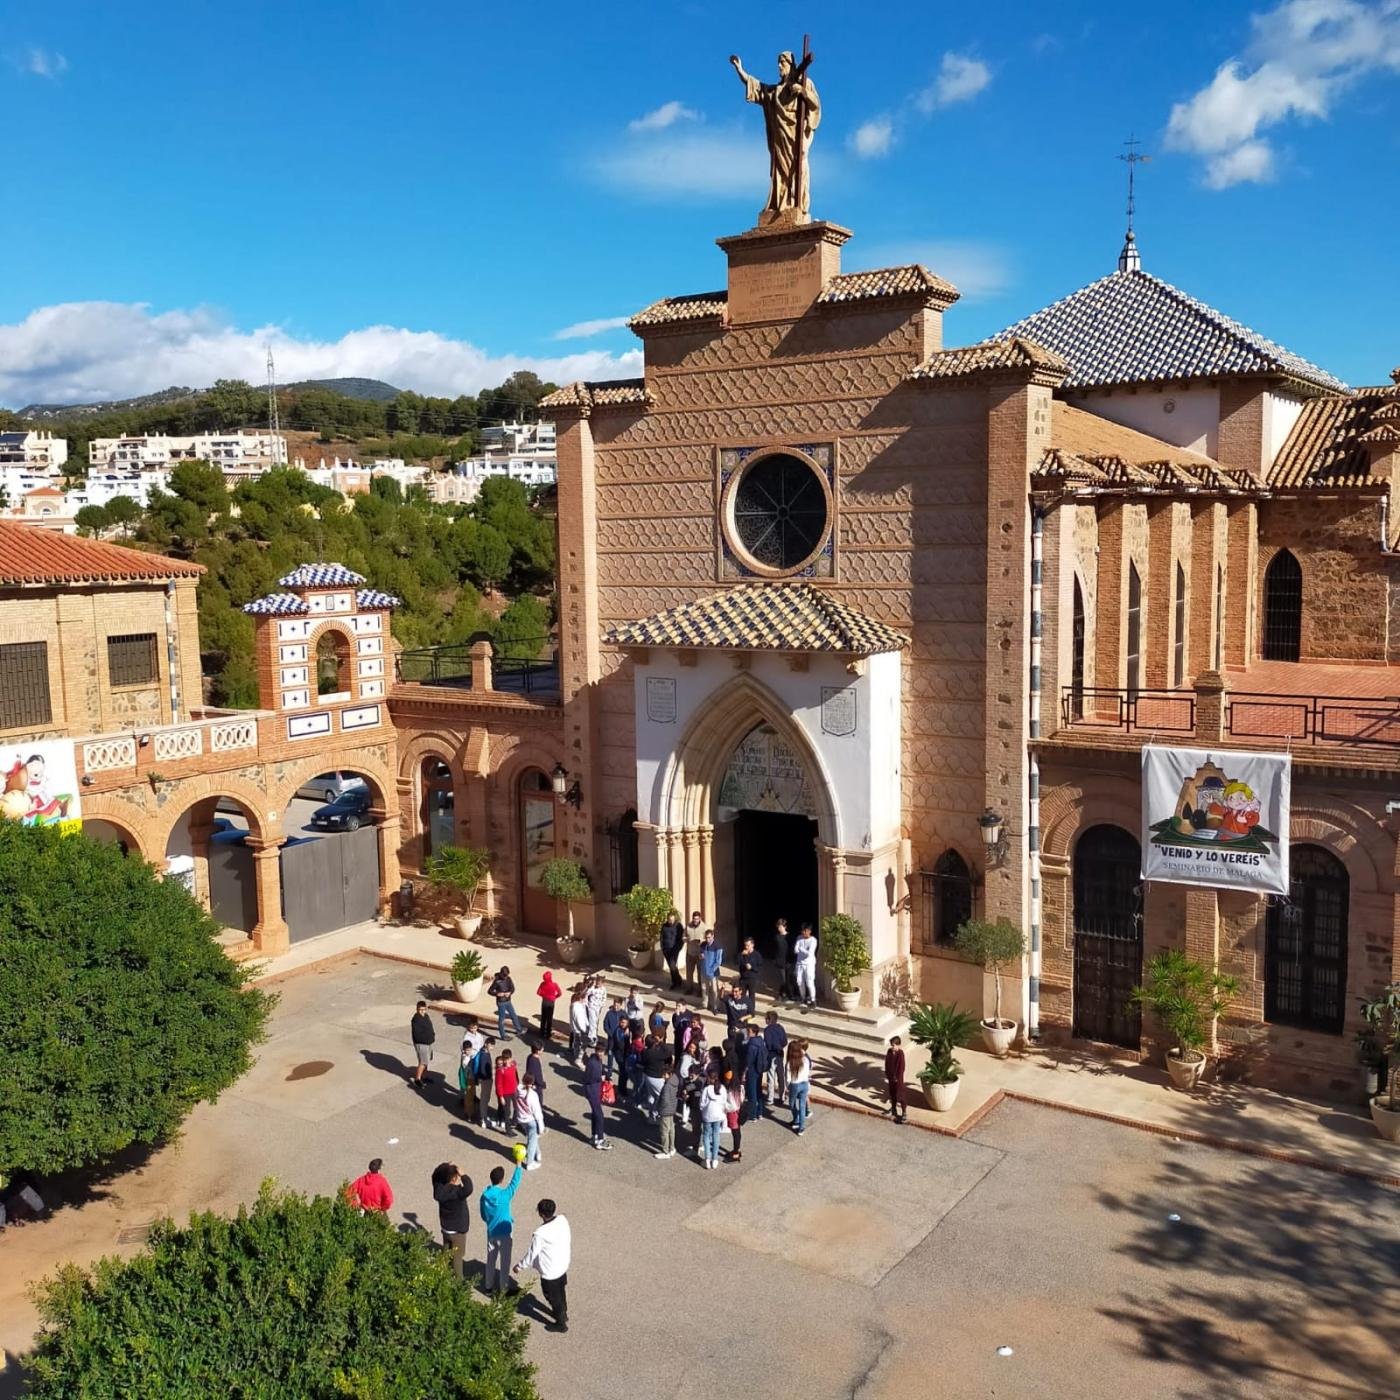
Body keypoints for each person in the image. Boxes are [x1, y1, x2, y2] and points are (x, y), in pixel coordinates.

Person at [515, 1199, 571, 1332]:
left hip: (550, 1271)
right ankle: (563, 1313)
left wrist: (519, 1266)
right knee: (561, 1291)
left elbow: (531, 1254)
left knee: (552, 1296)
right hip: (562, 1265)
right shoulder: (562, 1220)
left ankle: (561, 1323)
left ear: (541, 1214)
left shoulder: (540, 1234)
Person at [480, 1162, 523, 1295]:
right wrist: (518, 1166)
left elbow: (483, 1215)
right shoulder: (505, 1195)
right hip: (505, 1233)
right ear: (501, 1179)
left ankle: (488, 1287)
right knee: (505, 1263)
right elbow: (515, 1183)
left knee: (491, 1260)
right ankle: (504, 1289)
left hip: (491, 1232)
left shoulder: (484, 1196)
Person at [431, 1162, 473, 1278]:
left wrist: (443, 1169)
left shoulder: (438, 1190)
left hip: (446, 1227)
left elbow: (435, 1178)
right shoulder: (456, 1192)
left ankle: (442, 1270)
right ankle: (458, 1281)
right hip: (457, 1230)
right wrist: (463, 1175)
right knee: (458, 1256)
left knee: (446, 1248)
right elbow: (469, 1188)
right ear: (454, 1178)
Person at [583, 1046, 613, 1150]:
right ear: (596, 1051)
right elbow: (588, 1078)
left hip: (595, 1090)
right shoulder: (592, 1063)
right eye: (599, 1051)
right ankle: (600, 1139)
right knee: (599, 1115)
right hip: (592, 1091)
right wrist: (601, 1078)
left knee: (595, 1113)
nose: (601, 1053)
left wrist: (606, 1076)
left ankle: (595, 1135)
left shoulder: (596, 1060)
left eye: (602, 1051)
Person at [516, 1072, 545, 1169]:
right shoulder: (532, 1095)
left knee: (532, 1137)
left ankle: (538, 1153)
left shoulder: (518, 1089)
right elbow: (537, 1112)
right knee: (532, 1140)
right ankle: (530, 1162)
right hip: (530, 1120)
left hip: (521, 1118)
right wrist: (541, 1127)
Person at [699, 1072, 727, 1169]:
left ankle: (707, 1158)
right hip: (718, 1115)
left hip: (708, 1115)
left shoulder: (706, 1089)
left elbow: (702, 1104)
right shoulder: (722, 1088)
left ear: (709, 1079)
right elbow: (724, 1102)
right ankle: (715, 1159)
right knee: (716, 1135)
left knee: (706, 1136)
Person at [489, 966, 525, 1039]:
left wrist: (510, 992)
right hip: (501, 1002)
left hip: (508, 1001)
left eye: (506, 975)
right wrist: (497, 994)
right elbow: (490, 991)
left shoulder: (508, 979)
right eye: (504, 976)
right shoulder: (496, 981)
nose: (505, 977)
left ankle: (519, 1030)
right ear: (501, 974)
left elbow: (512, 988)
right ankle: (503, 1035)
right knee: (502, 1019)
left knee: (513, 1015)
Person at [654, 1058, 679, 1159]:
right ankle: (672, 1148)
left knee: (664, 1131)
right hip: (672, 1109)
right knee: (671, 1129)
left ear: (669, 1074)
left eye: (664, 1075)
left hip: (665, 1110)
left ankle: (665, 1151)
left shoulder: (667, 1086)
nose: (662, 1077)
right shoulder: (675, 1081)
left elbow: (664, 1100)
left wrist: (659, 1109)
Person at [763, 1010, 788, 1109]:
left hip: (771, 1055)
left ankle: (770, 1098)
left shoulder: (767, 1030)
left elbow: (768, 1044)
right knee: (781, 1076)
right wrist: (780, 1047)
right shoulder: (780, 1028)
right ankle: (782, 1096)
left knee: (771, 1077)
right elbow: (785, 1041)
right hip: (780, 1055)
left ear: (769, 1020)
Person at [640, 1033, 670, 1118]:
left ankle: (651, 1115)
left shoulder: (645, 1052)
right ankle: (655, 1114)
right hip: (656, 1077)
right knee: (661, 1095)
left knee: (651, 1095)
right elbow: (668, 1052)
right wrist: (661, 1042)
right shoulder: (657, 1053)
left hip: (647, 1075)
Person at [744, 1023, 769, 1122]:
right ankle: (760, 1112)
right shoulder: (761, 1042)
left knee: (752, 1093)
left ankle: (752, 1115)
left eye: (748, 1032)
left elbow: (749, 1060)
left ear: (752, 1032)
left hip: (752, 1070)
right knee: (759, 1091)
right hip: (760, 1069)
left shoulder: (751, 1045)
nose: (747, 1033)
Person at [608, 1003, 633, 1097]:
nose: (623, 1024)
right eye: (622, 1022)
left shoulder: (626, 1030)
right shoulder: (618, 1031)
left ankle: (622, 1089)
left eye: (625, 1023)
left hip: (625, 1055)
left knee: (624, 1074)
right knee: (623, 1073)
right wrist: (627, 1037)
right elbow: (620, 1044)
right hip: (620, 1055)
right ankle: (621, 1090)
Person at [787, 1039, 812, 1134]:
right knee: (802, 1106)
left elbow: (788, 1078)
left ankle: (796, 1119)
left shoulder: (790, 1063)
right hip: (804, 1083)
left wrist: (788, 1087)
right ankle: (801, 1127)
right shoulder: (805, 1060)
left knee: (792, 1103)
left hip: (795, 1084)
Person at [471, 1035, 495, 1129]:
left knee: (485, 1099)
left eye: (493, 1046)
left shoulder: (483, 1052)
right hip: (486, 1080)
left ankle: (484, 1116)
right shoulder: (484, 1055)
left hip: (485, 1079)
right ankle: (483, 1118)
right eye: (491, 1045)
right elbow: (483, 1069)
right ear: (486, 1044)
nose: (492, 1047)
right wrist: (486, 1078)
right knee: (484, 1099)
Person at [409, 1000, 435, 1088]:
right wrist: (427, 1040)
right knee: (423, 1062)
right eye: (420, 1010)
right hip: (421, 1044)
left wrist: (432, 1036)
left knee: (426, 1061)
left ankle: (424, 1076)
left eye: (424, 1009)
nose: (422, 1011)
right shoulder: (416, 1020)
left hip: (428, 1043)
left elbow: (430, 1027)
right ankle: (417, 1079)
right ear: (417, 1009)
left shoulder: (426, 1016)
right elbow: (417, 1035)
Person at [660, 908, 686, 990]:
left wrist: (679, 948)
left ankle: (675, 982)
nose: (670, 921)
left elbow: (681, 938)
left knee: (672, 966)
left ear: (674, 919)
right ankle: (678, 980)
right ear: (667, 919)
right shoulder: (664, 926)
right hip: (666, 950)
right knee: (672, 966)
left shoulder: (678, 926)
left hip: (674, 949)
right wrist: (662, 948)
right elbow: (661, 938)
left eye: (672, 920)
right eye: (669, 920)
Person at [493, 1048, 519, 1132]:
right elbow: (499, 1084)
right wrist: (501, 1096)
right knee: (507, 1112)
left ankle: (516, 1122)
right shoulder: (500, 1071)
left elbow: (516, 1077)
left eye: (508, 1059)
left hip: (514, 1091)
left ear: (510, 1058)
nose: (506, 1061)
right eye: (505, 1059)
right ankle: (508, 1130)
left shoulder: (513, 1065)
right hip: (506, 1094)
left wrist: (517, 1087)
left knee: (517, 1108)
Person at [698, 929, 724, 1012]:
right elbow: (700, 955)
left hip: (713, 972)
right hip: (703, 970)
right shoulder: (703, 945)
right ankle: (705, 1004)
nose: (707, 939)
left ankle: (716, 1006)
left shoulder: (718, 946)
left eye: (709, 937)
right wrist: (700, 956)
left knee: (714, 990)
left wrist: (711, 970)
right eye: (706, 938)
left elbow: (718, 961)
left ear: (713, 936)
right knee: (704, 988)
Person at [793, 923, 818, 1007]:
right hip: (799, 964)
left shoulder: (813, 940)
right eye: (802, 931)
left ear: (809, 931)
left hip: (809, 964)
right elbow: (795, 950)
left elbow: (809, 953)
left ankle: (813, 999)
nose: (803, 932)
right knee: (799, 982)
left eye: (805, 931)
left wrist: (801, 949)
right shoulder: (799, 938)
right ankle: (803, 998)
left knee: (809, 982)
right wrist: (800, 949)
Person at [885, 1034, 907, 1125]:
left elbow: (902, 1068)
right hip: (891, 1078)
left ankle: (904, 1112)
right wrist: (887, 1073)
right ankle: (894, 1110)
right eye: (892, 1045)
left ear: (898, 1045)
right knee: (892, 1094)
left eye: (894, 1045)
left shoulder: (900, 1054)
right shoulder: (889, 1052)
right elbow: (886, 1063)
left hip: (898, 1080)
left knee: (900, 1095)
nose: (892, 1047)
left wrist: (897, 1078)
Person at [737, 937, 763, 1014]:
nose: (746, 947)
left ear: (752, 945)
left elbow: (760, 967)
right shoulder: (742, 954)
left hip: (752, 978)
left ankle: (751, 1011)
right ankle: (742, 1010)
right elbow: (736, 961)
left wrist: (752, 967)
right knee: (742, 995)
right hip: (743, 978)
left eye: (748, 945)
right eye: (745, 945)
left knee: (751, 996)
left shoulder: (757, 955)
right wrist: (742, 955)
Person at [723, 1071, 744, 1162]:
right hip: (739, 1111)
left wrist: (724, 1106)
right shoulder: (740, 1087)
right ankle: (737, 1149)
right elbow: (742, 1099)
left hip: (733, 1114)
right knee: (738, 1132)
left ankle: (735, 1153)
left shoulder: (730, 1091)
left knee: (735, 1133)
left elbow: (732, 1106)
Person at [684, 910, 707, 995]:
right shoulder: (688, 926)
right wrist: (687, 939)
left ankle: (700, 990)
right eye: (694, 919)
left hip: (699, 953)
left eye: (697, 919)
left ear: (700, 918)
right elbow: (683, 937)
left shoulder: (704, 927)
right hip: (690, 952)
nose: (695, 921)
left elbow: (708, 939)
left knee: (700, 973)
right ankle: (689, 988)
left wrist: (702, 941)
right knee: (689, 973)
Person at [536, 970, 562, 1042]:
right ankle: (548, 1034)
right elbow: (560, 993)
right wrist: (554, 997)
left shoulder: (542, 984)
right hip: (551, 1002)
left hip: (544, 1002)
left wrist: (543, 996)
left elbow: (538, 992)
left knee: (543, 1017)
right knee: (549, 1019)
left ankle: (541, 1032)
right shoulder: (554, 985)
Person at [525, 1039, 548, 1120]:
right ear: (537, 1051)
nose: (543, 1050)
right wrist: (542, 1084)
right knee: (537, 1106)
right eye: (542, 1049)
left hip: (532, 1084)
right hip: (536, 1087)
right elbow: (537, 1076)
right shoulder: (535, 1062)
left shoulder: (530, 1057)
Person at [568, 988, 590, 1064]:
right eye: (585, 998)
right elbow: (579, 1019)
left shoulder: (579, 1005)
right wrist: (584, 1029)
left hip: (577, 1029)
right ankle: (578, 1058)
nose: (585, 1000)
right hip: (580, 1030)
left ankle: (576, 1056)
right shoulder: (577, 1007)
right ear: (581, 998)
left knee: (577, 1043)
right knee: (583, 1044)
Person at [776, 918, 795, 1000]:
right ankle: (782, 994)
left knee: (788, 980)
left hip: (788, 961)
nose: (779, 929)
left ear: (785, 927)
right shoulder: (777, 937)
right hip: (780, 961)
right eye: (778, 927)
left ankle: (789, 994)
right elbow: (775, 949)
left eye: (780, 927)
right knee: (783, 980)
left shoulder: (790, 936)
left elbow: (793, 948)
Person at [585, 975, 607, 1045]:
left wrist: (602, 1005)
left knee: (596, 1022)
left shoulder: (603, 989)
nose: (597, 984)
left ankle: (594, 1036)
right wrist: (587, 1003)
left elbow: (604, 998)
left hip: (598, 1007)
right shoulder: (593, 988)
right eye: (597, 982)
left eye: (599, 983)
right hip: (591, 1006)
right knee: (592, 1021)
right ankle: (591, 1037)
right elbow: (586, 994)